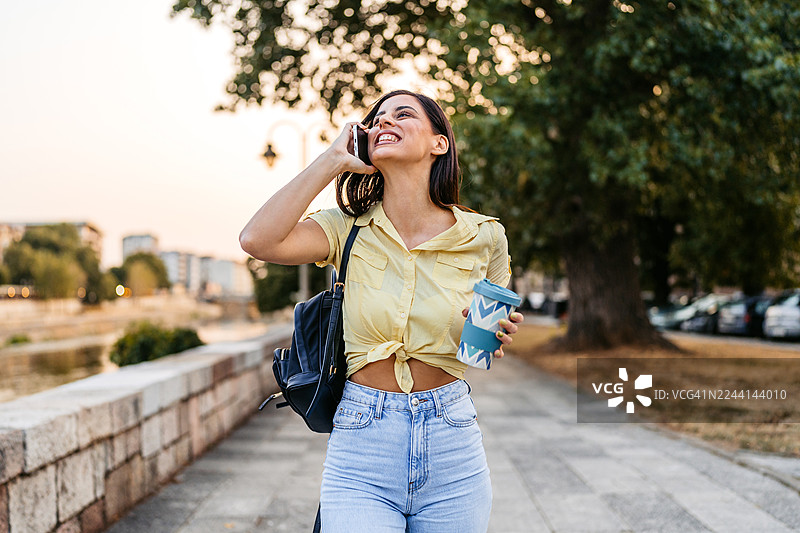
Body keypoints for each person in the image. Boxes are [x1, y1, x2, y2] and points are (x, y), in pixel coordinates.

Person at [239, 89, 523, 532]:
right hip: (362, 442)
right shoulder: (344, 227)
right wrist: (332, 159)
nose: (385, 121)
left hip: (452, 440)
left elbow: (481, 346)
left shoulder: (485, 237)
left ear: (439, 143)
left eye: (403, 114)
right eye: (378, 118)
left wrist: (493, 335)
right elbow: (257, 240)